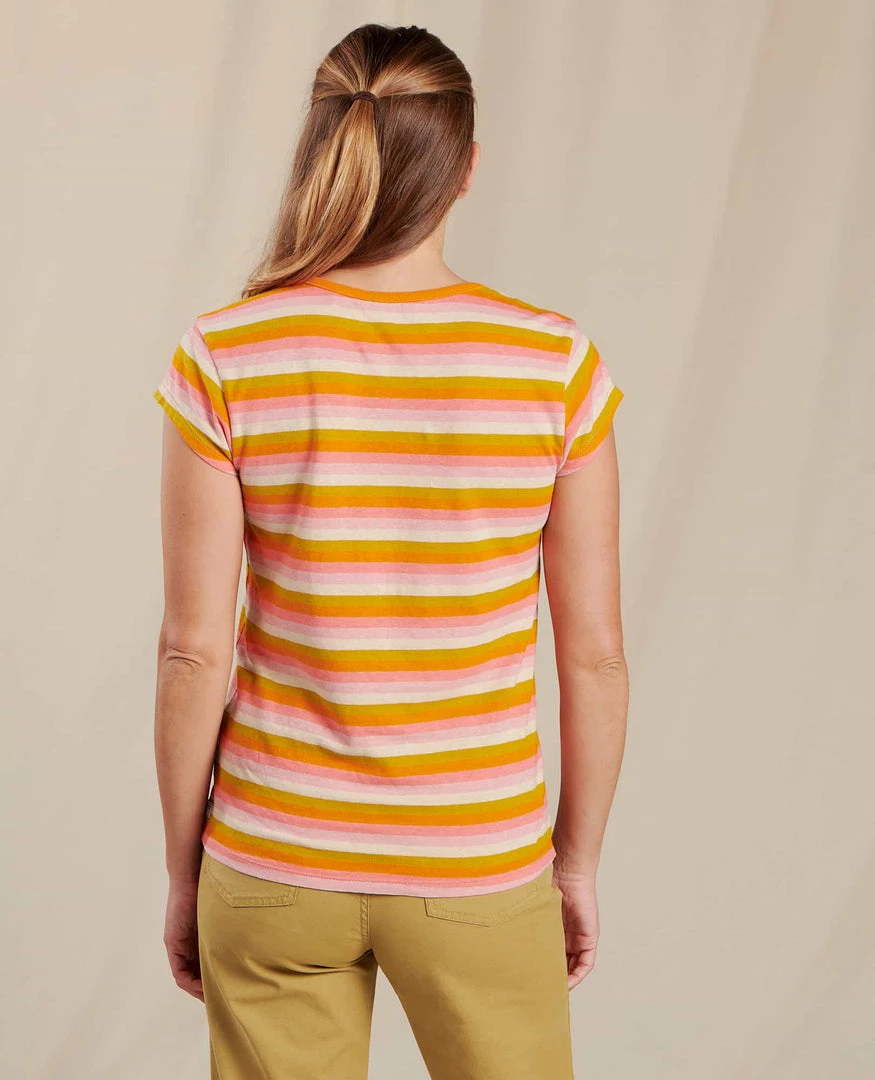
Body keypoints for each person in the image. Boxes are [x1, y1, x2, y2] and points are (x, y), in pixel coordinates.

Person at [152, 21, 628, 1080]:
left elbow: (191, 650)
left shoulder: (227, 353)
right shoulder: (553, 363)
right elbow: (594, 656)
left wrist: (187, 871)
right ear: (465, 167)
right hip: (476, 860)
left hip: (274, 856)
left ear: (321, 149)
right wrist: (575, 863)